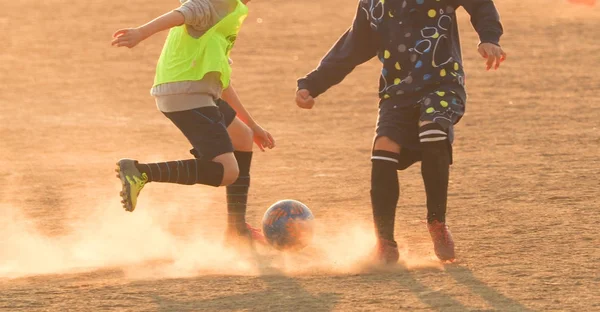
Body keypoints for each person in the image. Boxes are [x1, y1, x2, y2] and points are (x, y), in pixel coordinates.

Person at [295, 0, 505, 263]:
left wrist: (489, 37)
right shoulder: (372, 4)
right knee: (383, 147)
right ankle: (385, 242)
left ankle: (437, 224)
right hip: (397, 93)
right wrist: (312, 84)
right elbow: (351, 48)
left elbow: (481, 4)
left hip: (443, 83)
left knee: (433, 130)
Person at [112, 0, 275, 245]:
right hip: (187, 95)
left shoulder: (230, 12)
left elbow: (221, 80)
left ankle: (237, 231)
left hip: (197, 92)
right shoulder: (213, 4)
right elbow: (182, 13)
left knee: (242, 138)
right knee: (228, 172)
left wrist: (252, 126)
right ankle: (140, 173)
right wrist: (140, 33)